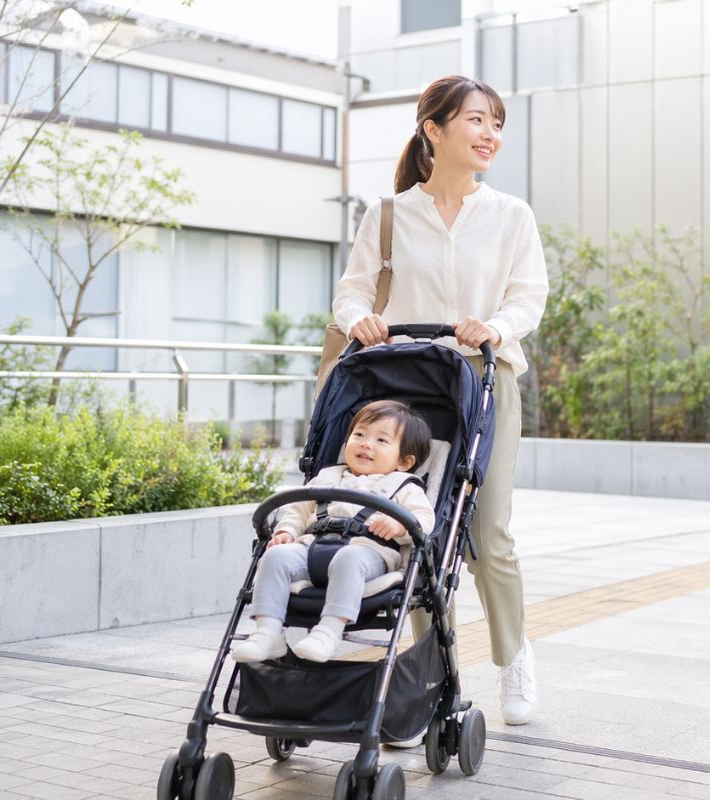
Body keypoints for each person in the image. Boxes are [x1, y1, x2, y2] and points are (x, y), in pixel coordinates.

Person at [332, 75, 548, 725]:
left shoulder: (512, 215)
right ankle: (429, 674)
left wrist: (497, 328)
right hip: (409, 388)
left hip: (485, 383)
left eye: (497, 124)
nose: (490, 135)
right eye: (477, 121)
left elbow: (527, 296)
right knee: (420, 526)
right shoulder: (389, 215)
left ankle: (515, 659)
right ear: (434, 128)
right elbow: (350, 293)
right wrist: (358, 322)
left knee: (488, 534)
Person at [232, 400, 435, 665]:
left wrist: (400, 525)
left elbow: (425, 520)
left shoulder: (406, 488)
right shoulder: (327, 477)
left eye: (381, 440)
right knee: (275, 557)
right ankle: (268, 632)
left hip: (367, 554)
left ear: (405, 462)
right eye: (359, 435)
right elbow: (298, 511)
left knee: (348, 558)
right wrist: (286, 532)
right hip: (312, 547)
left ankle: (329, 631)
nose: (365, 444)